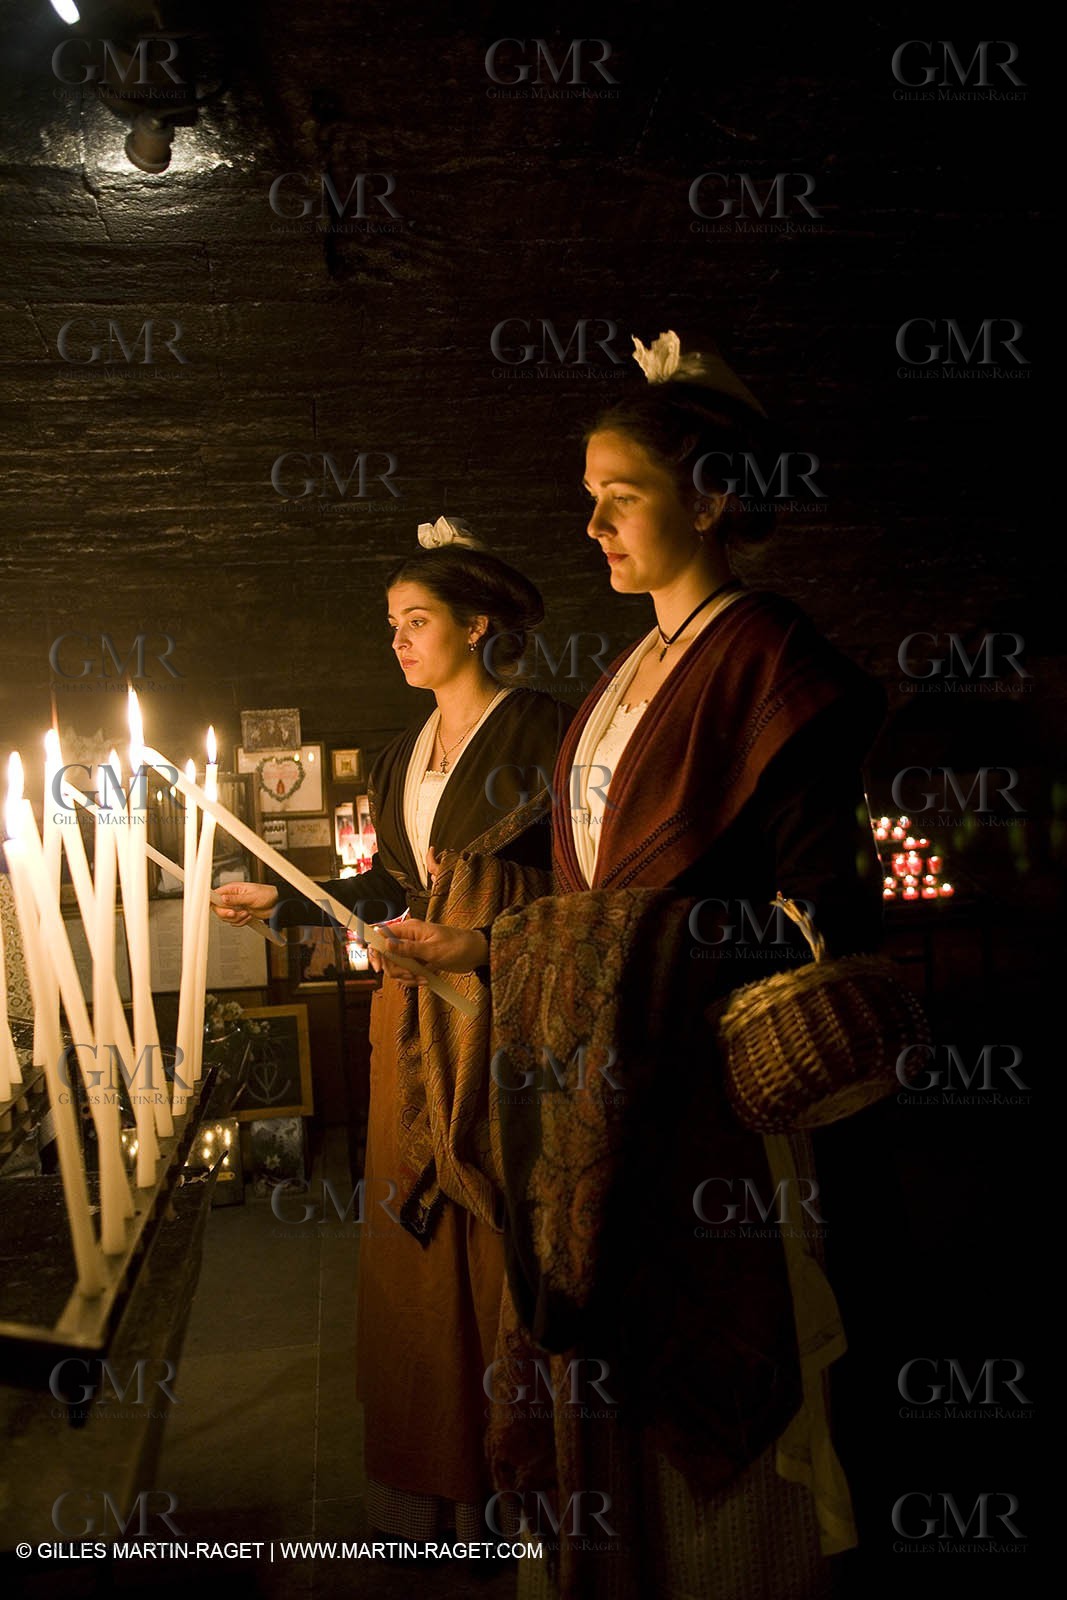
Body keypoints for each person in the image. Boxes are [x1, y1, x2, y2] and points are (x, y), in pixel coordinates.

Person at [372, 335, 889, 1598]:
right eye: (588, 497)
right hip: (591, 1099)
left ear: (708, 496)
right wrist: (484, 946)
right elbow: (579, 901)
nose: (591, 522)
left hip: (709, 1103)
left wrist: (609, 952)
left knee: (707, 1422)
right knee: (594, 1420)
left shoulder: (768, 662)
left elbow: (821, 921)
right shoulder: (618, 681)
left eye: (622, 495)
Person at [214, 521, 573, 1544]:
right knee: (417, 1235)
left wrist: (478, 938)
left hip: (498, 1017)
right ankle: (445, 1473)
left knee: (496, 1225)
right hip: (409, 1010)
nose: (399, 641)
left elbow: (579, 883)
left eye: (416, 621)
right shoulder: (396, 754)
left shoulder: (547, 731)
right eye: (391, 625)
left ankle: (526, 1478)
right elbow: (390, 889)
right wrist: (282, 902)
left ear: (476, 622)